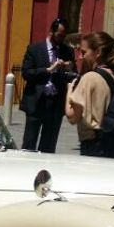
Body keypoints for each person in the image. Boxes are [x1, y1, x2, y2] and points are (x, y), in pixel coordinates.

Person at [65, 31, 114, 157]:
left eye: (84, 52)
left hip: (93, 146)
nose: (80, 57)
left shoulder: (90, 78)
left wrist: (69, 90)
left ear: (97, 52)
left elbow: (72, 117)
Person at [20, 18, 76, 153]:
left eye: (64, 36)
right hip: (37, 101)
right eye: (59, 35)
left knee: (49, 144)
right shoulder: (35, 49)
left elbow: (73, 75)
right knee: (29, 142)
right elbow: (26, 73)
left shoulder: (67, 51)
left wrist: (69, 69)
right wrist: (48, 70)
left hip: (55, 103)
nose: (62, 39)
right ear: (51, 32)